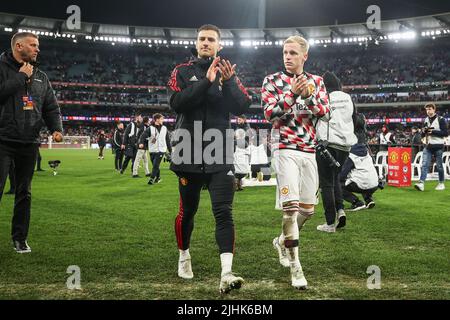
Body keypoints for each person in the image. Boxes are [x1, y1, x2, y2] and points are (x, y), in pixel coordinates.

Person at [168, 24, 251, 293]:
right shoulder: (181, 71)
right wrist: (207, 81)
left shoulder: (228, 73)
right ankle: (184, 256)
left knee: (223, 213)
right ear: (196, 42)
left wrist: (227, 84)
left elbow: (242, 106)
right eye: (202, 39)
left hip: (220, 150)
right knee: (187, 212)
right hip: (187, 150)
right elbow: (178, 103)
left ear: (219, 45)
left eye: (211, 39)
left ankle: (226, 272)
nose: (206, 42)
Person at [261, 35, 330, 289]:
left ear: (304, 56)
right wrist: (292, 94)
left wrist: (309, 96)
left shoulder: (317, 82)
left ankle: (281, 241)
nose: (287, 57)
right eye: (284, 52)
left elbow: (326, 113)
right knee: (290, 209)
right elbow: (270, 113)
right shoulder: (272, 81)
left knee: (308, 211)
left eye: (292, 53)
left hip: (308, 151)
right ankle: (295, 267)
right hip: (284, 149)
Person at [0, 32, 63, 253]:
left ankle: (20, 238)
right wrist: (19, 77)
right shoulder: (2, 68)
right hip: (3, 140)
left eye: (38, 45)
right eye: (33, 45)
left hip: (29, 142)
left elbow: (50, 107)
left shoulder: (41, 76)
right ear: (19, 46)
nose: (37, 49)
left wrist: (56, 128)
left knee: (24, 193)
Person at [315, 71, 357, 233]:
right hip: (345, 146)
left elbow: (317, 115)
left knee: (326, 184)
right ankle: (340, 211)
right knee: (335, 179)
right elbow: (354, 118)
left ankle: (330, 223)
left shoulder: (324, 97)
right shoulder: (348, 98)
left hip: (328, 144)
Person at [414, 103, 448, 191]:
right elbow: (424, 132)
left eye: (429, 109)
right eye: (427, 109)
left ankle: (441, 183)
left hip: (439, 145)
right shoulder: (426, 120)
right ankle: (421, 183)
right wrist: (423, 132)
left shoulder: (441, 119)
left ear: (434, 109)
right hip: (428, 145)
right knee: (424, 164)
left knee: (439, 166)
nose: (428, 111)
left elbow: (445, 133)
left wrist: (432, 132)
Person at [339, 143, 380, 210]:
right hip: (375, 184)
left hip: (363, 184)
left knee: (338, 185)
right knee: (362, 178)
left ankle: (357, 202)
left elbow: (342, 175)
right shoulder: (367, 154)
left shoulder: (351, 156)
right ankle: (368, 200)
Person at [139, 113, 171, 185]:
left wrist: (170, 151)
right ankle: (158, 177)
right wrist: (141, 143)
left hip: (161, 150)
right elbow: (143, 136)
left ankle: (151, 179)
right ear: (157, 119)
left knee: (156, 164)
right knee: (155, 165)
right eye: (161, 119)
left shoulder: (164, 128)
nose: (163, 120)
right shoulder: (150, 128)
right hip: (152, 150)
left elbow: (167, 140)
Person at [233, 115, 251, 191]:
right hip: (238, 148)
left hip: (243, 148)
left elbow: (245, 140)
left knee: (242, 166)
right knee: (237, 166)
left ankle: (239, 184)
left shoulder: (246, 128)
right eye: (238, 120)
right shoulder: (238, 127)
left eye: (240, 120)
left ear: (244, 119)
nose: (238, 121)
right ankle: (237, 184)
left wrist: (236, 140)